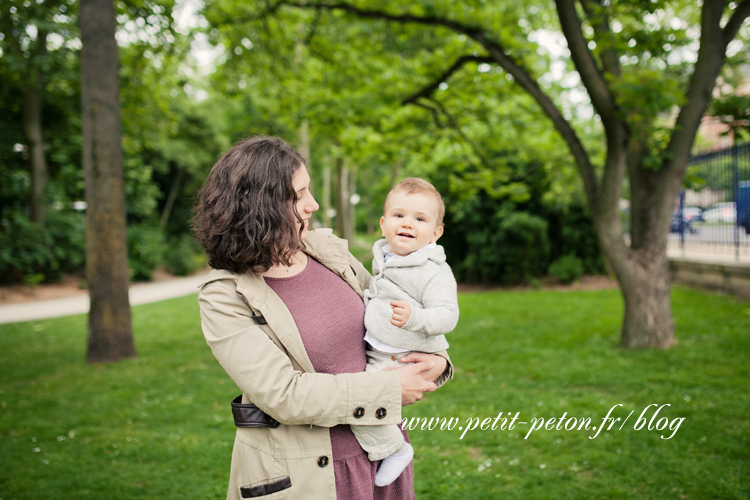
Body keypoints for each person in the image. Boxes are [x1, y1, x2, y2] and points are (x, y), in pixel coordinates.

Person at [192, 136, 453, 500]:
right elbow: (283, 394)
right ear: (260, 205)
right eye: (299, 195)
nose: (313, 205)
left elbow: (393, 305)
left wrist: (437, 360)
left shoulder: (324, 251)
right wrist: (390, 389)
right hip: (308, 476)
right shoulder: (225, 295)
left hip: (381, 452)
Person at [351, 178, 459, 487]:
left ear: (436, 233)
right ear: (384, 224)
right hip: (383, 345)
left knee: (361, 399)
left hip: (403, 353)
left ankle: (395, 449)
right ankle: (388, 446)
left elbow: (448, 315)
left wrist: (415, 317)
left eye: (420, 219)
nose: (407, 224)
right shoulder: (385, 255)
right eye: (399, 216)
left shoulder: (433, 270)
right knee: (361, 398)